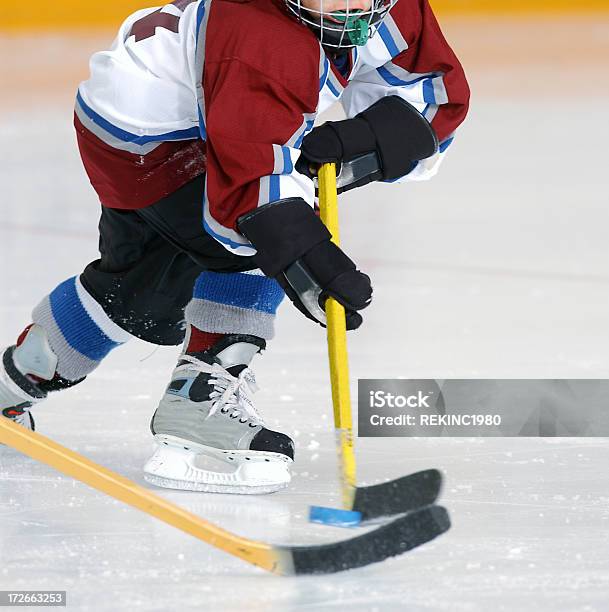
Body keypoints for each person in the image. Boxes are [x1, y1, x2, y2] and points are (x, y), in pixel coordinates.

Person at [0, 0, 469, 493]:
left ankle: (18, 377)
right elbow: (252, 198)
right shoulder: (263, 37)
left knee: (134, 291)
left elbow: (435, 94)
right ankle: (197, 401)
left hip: (140, 106)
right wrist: (311, 259)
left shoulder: (395, 9)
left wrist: (369, 138)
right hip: (153, 141)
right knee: (253, 241)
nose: (345, 5)